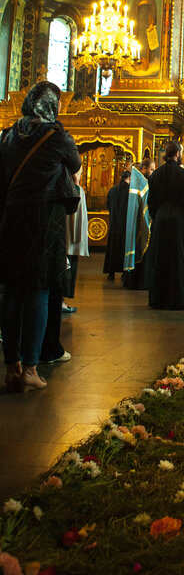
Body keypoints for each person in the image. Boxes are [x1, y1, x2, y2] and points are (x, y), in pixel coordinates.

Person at [0, 82, 81, 392]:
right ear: (53, 106)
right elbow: (76, 165)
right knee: (39, 291)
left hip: (11, 219)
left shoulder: (8, 135)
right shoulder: (56, 135)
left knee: (11, 291)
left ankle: (12, 367)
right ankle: (31, 368)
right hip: (44, 221)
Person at [146, 141, 184, 311]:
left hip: (160, 220)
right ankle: (179, 299)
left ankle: (158, 299)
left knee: (160, 259)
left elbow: (151, 202)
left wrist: (158, 217)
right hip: (180, 221)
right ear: (177, 154)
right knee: (179, 259)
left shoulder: (156, 175)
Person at [121, 158, 155, 291]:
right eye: (151, 169)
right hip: (141, 221)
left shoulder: (141, 182)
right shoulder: (140, 182)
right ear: (144, 168)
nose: (152, 172)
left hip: (140, 221)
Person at [62, 166, 89, 314]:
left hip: (69, 239)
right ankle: (61, 302)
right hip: (69, 240)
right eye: (79, 172)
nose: (81, 175)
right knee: (66, 271)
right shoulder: (74, 189)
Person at [103, 171, 131, 281]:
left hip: (114, 224)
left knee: (112, 249)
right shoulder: (130, 191)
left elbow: (108, 205)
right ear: (129, 178)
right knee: (124, 248)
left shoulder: (112, 190)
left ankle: (111, 272)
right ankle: (125, 272)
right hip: (125, 225)